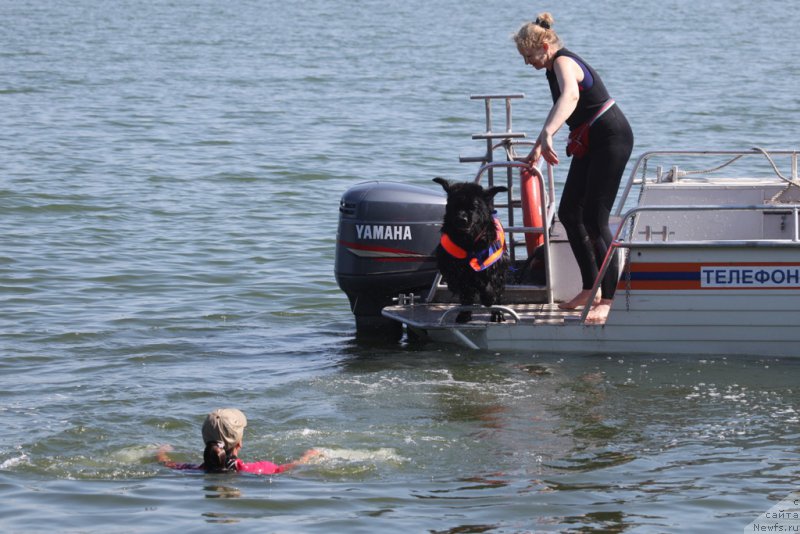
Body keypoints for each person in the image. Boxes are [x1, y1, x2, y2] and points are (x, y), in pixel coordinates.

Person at [514, 13, 634, 324]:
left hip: (611, 137)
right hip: (591, 139)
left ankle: (609, 298)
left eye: (529, 56)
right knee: (568, 212)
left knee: (595, 219)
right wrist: (539, 147)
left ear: (544, 46)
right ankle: (589, 288)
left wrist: (549, 133)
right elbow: (563, 109)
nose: (527, 63)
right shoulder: (550, 68)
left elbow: (571, 96)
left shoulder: (564, 62)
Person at [157, 408, 319, 474]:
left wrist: (161, 452)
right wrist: (308, 456)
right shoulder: (256, 469)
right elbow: (287, 469)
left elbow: (167, 464)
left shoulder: (194, 469)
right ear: (239, 442)